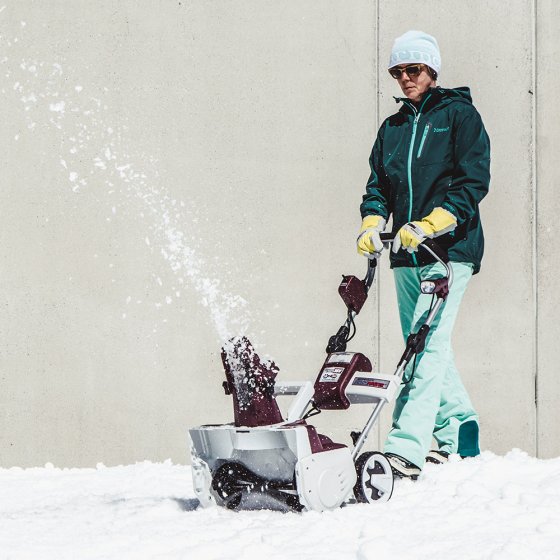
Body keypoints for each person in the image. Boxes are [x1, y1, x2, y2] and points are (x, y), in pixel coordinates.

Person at [356, 30, 490, 479]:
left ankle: (405, 447)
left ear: (432, 70)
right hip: (406, 255)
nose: (405, 78)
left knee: (426, 345)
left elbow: (473, 181)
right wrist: (372, 222)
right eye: (398, 71)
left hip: (449, 250)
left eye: (413, 69)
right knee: (422, 346)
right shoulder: (392, 128)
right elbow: (377, 184)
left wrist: (436, 221)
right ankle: (460, 431)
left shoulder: (459, 117)